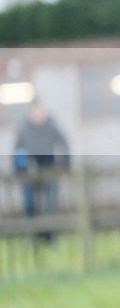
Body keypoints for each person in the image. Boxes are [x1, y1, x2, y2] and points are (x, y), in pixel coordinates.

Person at [13, 98, 70, 242]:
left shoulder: (51, 126)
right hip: (30, 172)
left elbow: (64, 143)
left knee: (50, 205)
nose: (38, 115)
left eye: (40, 111)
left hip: (49, 169)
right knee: (30, 205)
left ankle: (50, 237)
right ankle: (34, 236)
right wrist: (21, 168)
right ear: (30, 113)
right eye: (35, 112)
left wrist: (63, 164)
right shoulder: (24, 130)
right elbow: (17, 151)